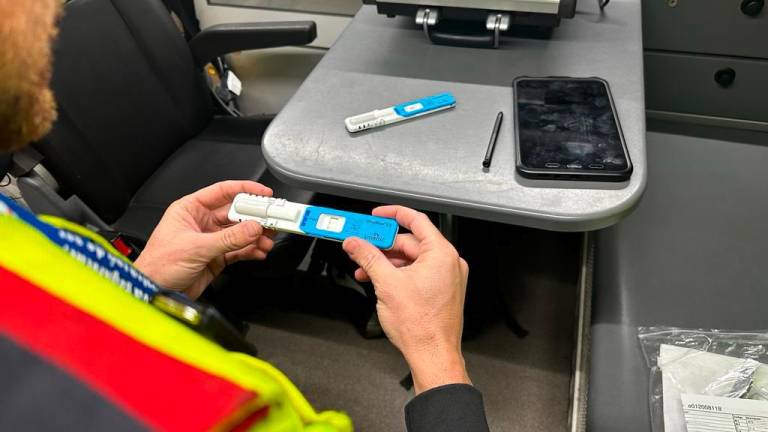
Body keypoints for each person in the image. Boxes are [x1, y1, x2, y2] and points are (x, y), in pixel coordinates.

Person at [0, 0, 489, 430]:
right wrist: (438, 356)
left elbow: (96, 338)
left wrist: (146, 284)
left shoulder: (23, 236)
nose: (46, 15)